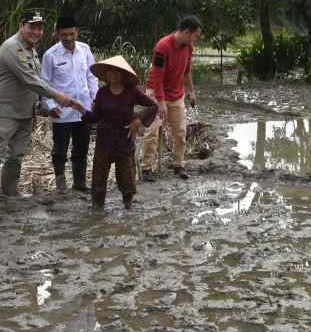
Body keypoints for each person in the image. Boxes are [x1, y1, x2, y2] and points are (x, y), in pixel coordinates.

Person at [0, 10, 79, 206]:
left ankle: (10, 190)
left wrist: (33, 112)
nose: (36, 31)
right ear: (21, 26)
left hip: (23, 112)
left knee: (16, 153)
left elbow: (32, 84)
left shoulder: (30, 49)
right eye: (32, 27)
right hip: (4, 112)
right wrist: (56, 95)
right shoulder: (11, 48)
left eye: (40, 28)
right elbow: (30, 79)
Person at [81, 55, 158, 211]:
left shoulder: (132, 91)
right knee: (98, 178)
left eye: (117, 71)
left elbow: (153, 106)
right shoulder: (102, 93)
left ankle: (128, 210)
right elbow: (96, 117)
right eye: (110, 70)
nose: (112, 73)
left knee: (127, 179)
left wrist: (138, 122)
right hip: (104, 140)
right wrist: (80, 109)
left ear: (123, 74)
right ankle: (97, 210)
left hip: (124, 139)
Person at [40, 15, 99, 193]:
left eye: (72, 34)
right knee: (60, 150)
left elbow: (91, 76)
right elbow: (44, 84)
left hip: (83, 109)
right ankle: (61, 185)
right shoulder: (50, 55)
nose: (68, 38)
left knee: (81, 148)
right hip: (61, 111)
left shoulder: (85, 49)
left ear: (77, 33)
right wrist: (50, 106)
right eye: (64, 34)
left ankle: (80, 182)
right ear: (57, 34)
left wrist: (95, 98)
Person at [141, 15, 202, 182]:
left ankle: (178, 165)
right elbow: (156, 77)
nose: (195, 39)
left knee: (180, 132)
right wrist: (160, 103)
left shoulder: (188, 47)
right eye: (195, 36)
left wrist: (192, 91)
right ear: (187, 32)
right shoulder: (163, 47)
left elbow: (187, 70)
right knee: (152, 131)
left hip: (177, 94)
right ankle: (146, 167)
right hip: (156, 93)